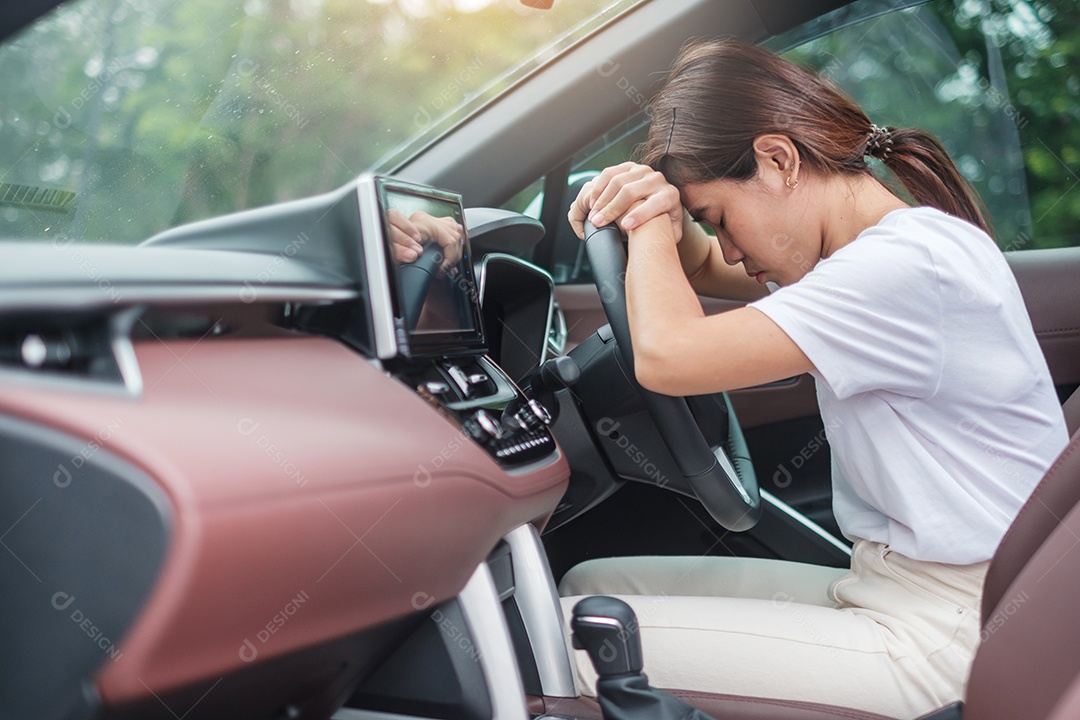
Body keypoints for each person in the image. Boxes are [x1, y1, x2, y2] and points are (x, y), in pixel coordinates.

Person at [560, 38, 1068, 718]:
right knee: (592, 585)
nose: (729, 248)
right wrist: (665, 213)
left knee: (563, 643)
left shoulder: (899, 268)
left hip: (949, 635)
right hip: (902, 591)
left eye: (721, 219)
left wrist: (646, 222)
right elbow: (709, 266)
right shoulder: (889, 249)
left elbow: (667, 357)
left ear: (779, 159)